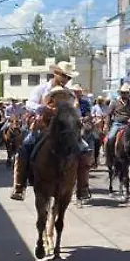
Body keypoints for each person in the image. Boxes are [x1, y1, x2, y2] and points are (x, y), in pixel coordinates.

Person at [11, 61, 92, 200]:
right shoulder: (42, 89)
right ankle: (19, 186)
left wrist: (75, 114)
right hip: (43, 125)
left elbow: (76, 111)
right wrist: (43, 108)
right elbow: (29, 103)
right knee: (25, 147)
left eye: (69, 77)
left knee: (85, 149)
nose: (66, 80)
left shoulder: (70, 94)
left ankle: (82, 187)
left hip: (65, 129)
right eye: (65, 76)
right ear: (56, 73)